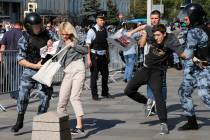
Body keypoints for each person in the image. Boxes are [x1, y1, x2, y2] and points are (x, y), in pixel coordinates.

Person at [124, 24, 187, 135]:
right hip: (145, 69)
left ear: (164, 34)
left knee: (159, 96)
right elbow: (144, 26)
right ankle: (147, 101)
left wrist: (195, 58)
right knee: (128, 91)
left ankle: (163, 123)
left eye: (158, 35)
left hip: (157, 73)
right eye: (155, 35)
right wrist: (131, 32)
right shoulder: (151, 32)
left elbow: (183, 54)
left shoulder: (171, 40)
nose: (156, 38)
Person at [11, 13, 55, 133]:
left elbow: (58, 44)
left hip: (45, 70)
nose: (38, 28)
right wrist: (35, 66)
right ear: (29, 27)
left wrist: (52, 43)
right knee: (22, 95)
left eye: (39, 25)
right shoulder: (24, 38)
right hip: (30, 69)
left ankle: (40, 120)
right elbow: (20, 60)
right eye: (35, 27)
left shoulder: (48, 33)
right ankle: (19, 120)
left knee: (45, 96)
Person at [178, 3, 210, 131]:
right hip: (196, 68)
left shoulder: (194, 32)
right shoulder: (204, 28)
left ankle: (192, 122)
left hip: (204, 68)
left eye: (187, 16)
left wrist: (172, 47)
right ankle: (192, 122)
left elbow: (187, 55)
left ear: (194, 16)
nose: (184, 18)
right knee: (184, 92)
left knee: (205, 95)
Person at [129, 10, 167, 117]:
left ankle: (159, 105)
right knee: (150, 85)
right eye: (152, 18)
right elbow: (141, 44)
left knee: (161, 86)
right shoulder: (148, 28)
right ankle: (151, 103)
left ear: (160, 19)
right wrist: (139, 34)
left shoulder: (164, 30)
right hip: (148, 62)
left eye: (156, 18)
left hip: (161, 64)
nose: (154, 20)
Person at [56, 22, 88, 135]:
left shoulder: (77, 39)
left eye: (66, 34)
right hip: (67, 70)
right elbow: (56, 56)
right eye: (62, 34)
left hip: (78, 67)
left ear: (70, 32)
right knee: (62, 99)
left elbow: (86, 51)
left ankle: (80, 126)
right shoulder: (60, 42)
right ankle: (61, 125)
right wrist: (50, 47)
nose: (64, 36)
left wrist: (73, 45)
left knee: (74, 97)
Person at [86, 11, 113, 100]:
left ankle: (105, 93)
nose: (103, 21)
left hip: (103, 56)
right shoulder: (92, 31)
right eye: (101, 20)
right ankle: (95, 95)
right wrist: (89, 59)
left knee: (105, 75)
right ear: (97, 20)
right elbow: (88, 47)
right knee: (94, 76)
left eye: (103, 20)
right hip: (95, 56)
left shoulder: (105, 30)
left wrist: (108, 56)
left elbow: (106, 44)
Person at [0, 21, 23, 98]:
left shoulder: (7, 33)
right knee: (18, 75)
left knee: (11, 75)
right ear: (20, 26)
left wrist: (1, 57)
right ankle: (17, 94)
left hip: (8, 56)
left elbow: (2, 47)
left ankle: (13, 93)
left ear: (14, 25)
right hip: (19, 56)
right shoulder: (22, 34)